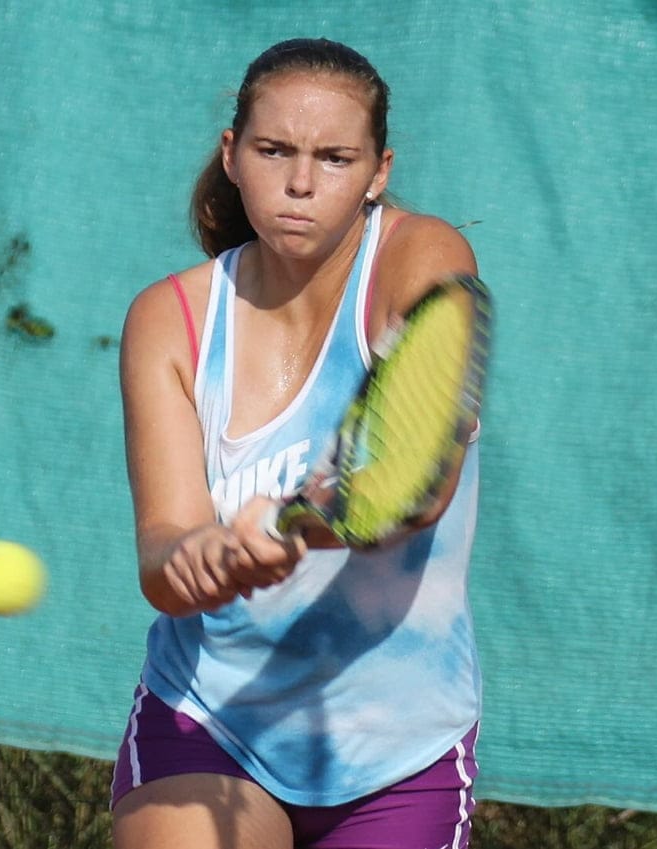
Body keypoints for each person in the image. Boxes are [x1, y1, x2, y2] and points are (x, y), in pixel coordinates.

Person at [112, 38, 484, 849]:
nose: (302, 183)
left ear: (378, 171)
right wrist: (203, 558)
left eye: (336, 158)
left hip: (402, 748)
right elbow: (162, 553)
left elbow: (419, 482)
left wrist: (292, 522)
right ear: (232, 155)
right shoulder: (167, 319)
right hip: (208, 721)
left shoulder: (422, 256)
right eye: (274, 150)